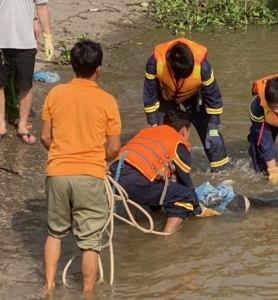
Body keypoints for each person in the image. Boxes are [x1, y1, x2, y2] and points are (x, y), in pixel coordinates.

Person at [40, 40, 121, 294]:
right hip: (90, 175)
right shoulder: (107, 101)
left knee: (54, 233)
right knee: (90, 242)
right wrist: (101, 160)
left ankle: (49, 287)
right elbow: (115, 148)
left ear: (73, 66)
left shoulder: (55, 94)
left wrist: (61, 155)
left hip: (58, 173)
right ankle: (88, 293)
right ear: (99, 68)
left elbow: (44, 136)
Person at [109, 110, 220, 234]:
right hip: (135, 182)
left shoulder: (147, 132)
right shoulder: (178, 142)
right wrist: (198, 209)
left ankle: (130, 224)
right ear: (184, 131)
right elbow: (184, 182)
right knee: (185, 195)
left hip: (114, 176)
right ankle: (168, 237)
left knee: (141, 179)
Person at [143, 38, 229, 172]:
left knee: (212, 137)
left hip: (193, 96)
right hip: (166, 96)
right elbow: (150, 95)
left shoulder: (203, 67)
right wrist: (153, 122)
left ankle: (222, 172)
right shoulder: (155, 63)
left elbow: (213, 97)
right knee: (163, 136)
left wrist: (213, 126)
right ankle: (168, 172)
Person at [0, 0, 53, 143]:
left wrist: (48, 36)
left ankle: (23, 125)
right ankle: (1, 125)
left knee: (25, 86)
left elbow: (41, 6)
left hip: (25, 43)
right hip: (1, 42)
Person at [196, 180, 278, 213]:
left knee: (274, 204)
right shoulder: (201, 194)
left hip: (243, 205)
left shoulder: (201, 196)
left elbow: (214, 198)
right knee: (272, 204)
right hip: (240, 205)